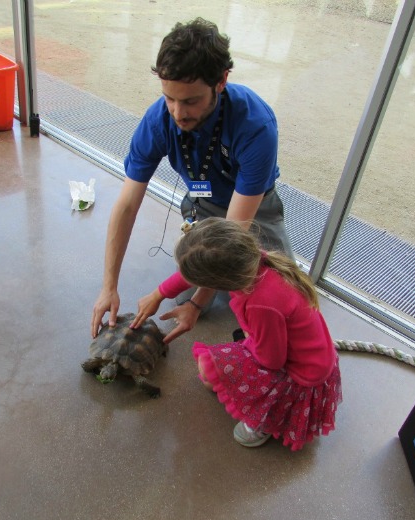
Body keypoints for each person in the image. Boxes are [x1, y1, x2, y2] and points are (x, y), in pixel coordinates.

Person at [91, 17, 294, 340]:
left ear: (222, 80)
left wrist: (198, 303)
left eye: (190, 101)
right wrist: (108, 287)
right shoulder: (159, 118)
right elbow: (127, 204)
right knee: (203, 274)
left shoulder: (256, 124)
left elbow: (232, 235)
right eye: (169, 98)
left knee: (283, 299)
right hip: (202, 203)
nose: (177, 113)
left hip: (253, 211)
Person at [134, 218, 342, 450]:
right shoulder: (248, 260)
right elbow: (196, 268)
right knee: (211, 374)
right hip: (310, 352)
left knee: (208, 368)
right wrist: (158, 294)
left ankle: (264, 419)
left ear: (216, 282)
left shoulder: (261, 304)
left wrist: (246, 343)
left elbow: (272, 360)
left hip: (301, 374)